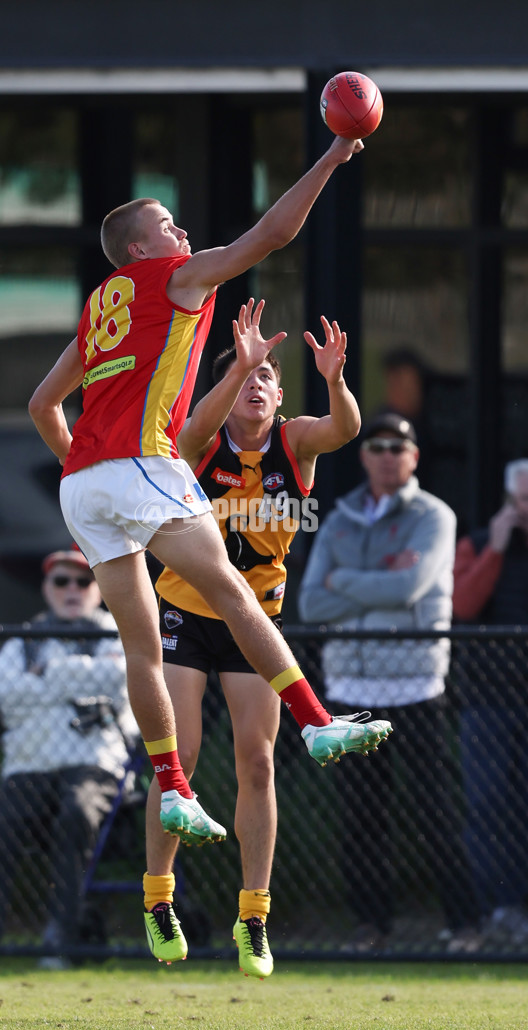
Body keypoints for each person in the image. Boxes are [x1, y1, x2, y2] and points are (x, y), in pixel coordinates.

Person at [28, 135, 392, 959]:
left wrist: (86, 470)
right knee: (230, 590)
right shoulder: (172, 279)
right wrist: (335, 153)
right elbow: (271, 237)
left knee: (137, 643)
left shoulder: (100, 306)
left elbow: (44, 405)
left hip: (84, 485)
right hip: (137, 467)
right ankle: (317, 721)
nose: (183, 232)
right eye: (168, 224)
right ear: (141, 249)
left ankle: (171, 787)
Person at [144, 297, 362, 977]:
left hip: (255, 622)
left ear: (280, 395)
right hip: (185, 611)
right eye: (246, 377)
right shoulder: (202, 440)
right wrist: (234, 366)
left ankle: (255, 917)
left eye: (266, 376)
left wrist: (335, 380)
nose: (257, 385)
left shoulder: (293, 441)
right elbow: (183, 438)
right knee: (176, 757)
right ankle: (158, 900)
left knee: (257, 761)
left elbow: (346, 429)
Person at [298, 412, 482, 954]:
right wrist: (375, 583)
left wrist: (344, 581)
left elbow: (411, 585)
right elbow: (311, 602)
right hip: (349, 684)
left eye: (396, 447)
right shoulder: (339, 518)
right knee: (360, 818)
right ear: (363, 455)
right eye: (375, 446)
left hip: (415, 685)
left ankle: (466, 925)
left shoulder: (435, 516)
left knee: (435, 812)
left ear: (414, 457)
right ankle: (371, 928)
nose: (385, 455)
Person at [0, 548, 139, 969]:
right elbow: (8, 695)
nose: (72, 590)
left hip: (96, 764)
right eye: (61, 581)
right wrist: (79, 678)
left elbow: (119, 680)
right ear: (46, 589)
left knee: (76, 815)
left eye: (83, 581)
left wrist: (46, 676)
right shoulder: (24, 639)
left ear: (98, 588)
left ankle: (62, 942)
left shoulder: (120, 631)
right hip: (30, 765)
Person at [452, 458, 528, 946]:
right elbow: (461, 605)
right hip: (488, 700)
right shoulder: (478, 544)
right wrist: (496, 550)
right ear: (509, 500)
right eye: (523, 499)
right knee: (486, 806)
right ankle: (497, 908)